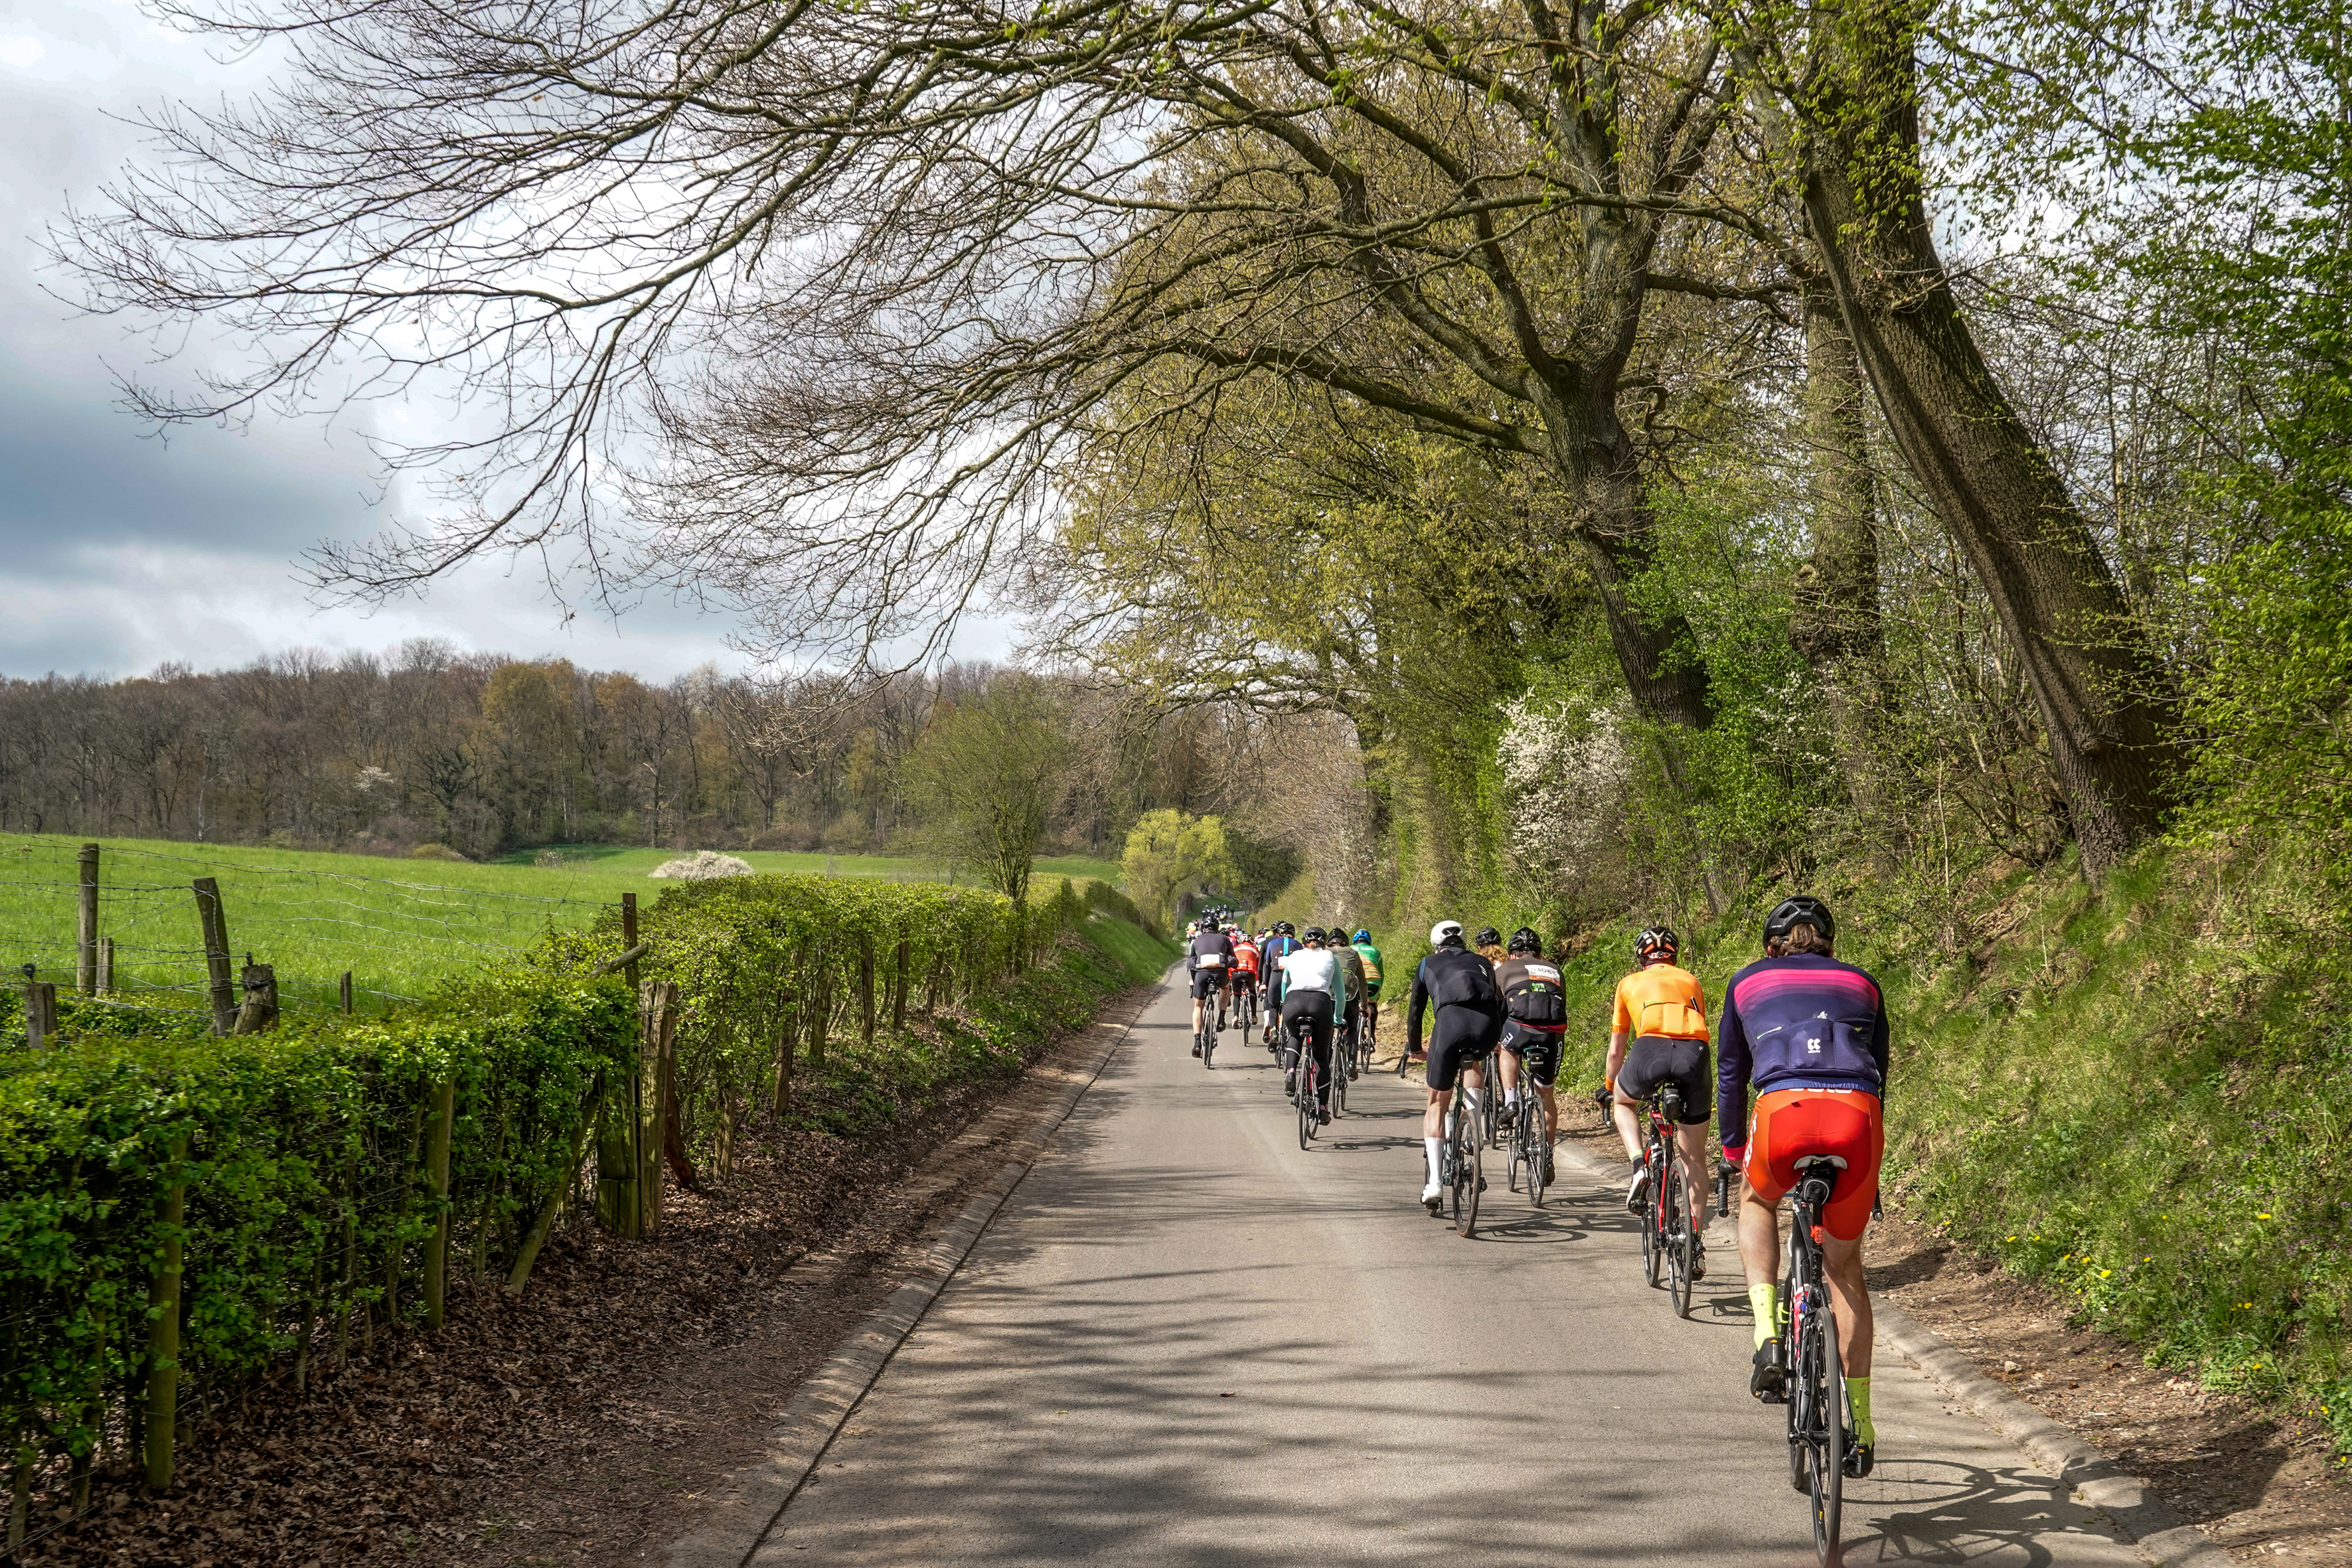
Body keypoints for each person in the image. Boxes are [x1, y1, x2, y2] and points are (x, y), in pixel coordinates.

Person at [1719, 896, 1890, 1478]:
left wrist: (1731, 1149)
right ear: (1830, 944)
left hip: (1783, 1110)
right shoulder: (1862, 983)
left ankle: (1768, 1334)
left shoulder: (1746, 982)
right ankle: (1860, 1429)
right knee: (1844, 1270)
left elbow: (1731, 1072)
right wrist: (1868, 1172)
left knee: (1756, 1201)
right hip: (1855, 1117)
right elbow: (1879, 1071)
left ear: (1771, 947)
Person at [1607, 925, 1713, 1277]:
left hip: (1649, 1049)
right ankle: (1694, 1242)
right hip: (1693, 1053)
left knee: (1623, 1103)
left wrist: (1610, 1086)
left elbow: (1616, 1049)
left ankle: (1639, 1167)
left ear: (1642, 958)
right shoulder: (1691, 979)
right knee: (1693, 1157)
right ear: (1674, 956)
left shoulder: (1628, 983)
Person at [1405, 921, 1504, 1212]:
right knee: (1474, 1061)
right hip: (1487, 1027)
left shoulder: (1427, 964)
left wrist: (1414, 1049)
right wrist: (1496, 1037)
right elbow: (1501, 1003)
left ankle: (1435, 1182)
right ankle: (1474, 1128)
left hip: (1449, 1026)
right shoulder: (1483, 962)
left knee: (1436, 1103)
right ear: (1464, 943)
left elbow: (1415, 1011)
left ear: (1437, 946)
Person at [1493, 927, 1566, 1185]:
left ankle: (1511, 1100)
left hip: (1520, 1029)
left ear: (1512, 954)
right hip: (1553, 1035)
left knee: (1506, 1048)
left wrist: (1494, 1038)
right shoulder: (1555, 969)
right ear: (1539, 953)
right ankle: (1547, 1156)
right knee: (1546, 1094)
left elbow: (1496, 1007)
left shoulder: (1503, 969)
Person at [1276, 926, 1342, 1122]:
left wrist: (1283, 1005)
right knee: (1322, 1057)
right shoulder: (1331, 958)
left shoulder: (1293, 957)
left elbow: (1284, 984)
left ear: (1304, 942)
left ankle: (1290, 1071)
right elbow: (1339, 994)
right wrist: (1337, 1018)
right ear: (1324, 942)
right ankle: (1322, 1107)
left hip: (1293, 1001)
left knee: (1294, 1036)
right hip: (1320, 1004)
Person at [1184, 915, 1235, 1053]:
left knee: (1198, 1007)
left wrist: (1195, 981)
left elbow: (1192, 963)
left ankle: (1197, 1043)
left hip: (1201, 975)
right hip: (1220, 974)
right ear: (1217, 928)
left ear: (1203, 929)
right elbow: (1233, 959)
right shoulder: (1225, 939)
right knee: (1225, 987)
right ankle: (1222, 1017)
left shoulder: (1196, 941)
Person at [1329, 926, 1369, 1077]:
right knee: (1352, 1029)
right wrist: (1364, 1005)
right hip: (1351, 996)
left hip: (1330, 996)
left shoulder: (1325, 954)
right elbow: (1363, 982)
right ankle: (1352, 1062)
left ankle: (1326, 1064)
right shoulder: (1354, 953)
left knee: (1327, 1030)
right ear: (1346, 943)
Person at [1259, 920, 1302, 1049]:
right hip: (1292, 979)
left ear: (1279, 934)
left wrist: (1265, 983)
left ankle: (1274, 1032)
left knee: (1273, 1005)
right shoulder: (1299, 945)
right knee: (1294, 1006)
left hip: (1276, 977)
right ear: (1293, 935)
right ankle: (1293, 1031)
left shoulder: (1272, 943)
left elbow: (1266, 966)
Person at [1349, 927, 1385, 1050]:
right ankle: (1372, 1036)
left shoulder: (1351, 950)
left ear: (1355, 940)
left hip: (1356, 981)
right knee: (1372, 1004)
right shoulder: (1376, 951)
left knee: (1352, 1002)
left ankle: (1354, 1030)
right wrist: (1378, 992)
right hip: (1374, 982)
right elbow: (1382, 974)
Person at [1230, 926, 1262, 1032]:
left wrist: (1231, 978)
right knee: (1252, 991)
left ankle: (1235, 1016)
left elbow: (1230, 965)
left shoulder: (1234, 949)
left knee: (1237, 995)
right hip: (1249, 973)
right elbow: (1258, 967)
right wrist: (1258, 980)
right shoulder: (1255, 950)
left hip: (1236, 973)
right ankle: (1253, 1015)